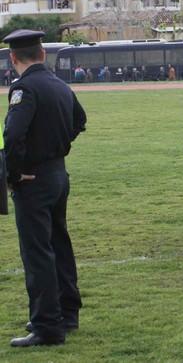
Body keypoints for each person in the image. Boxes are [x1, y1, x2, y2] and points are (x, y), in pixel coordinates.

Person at [3, 29, 87, 346]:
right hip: (57, 174)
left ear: (13, 59)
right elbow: (80, 120)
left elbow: (13, 136)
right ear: (43, 54)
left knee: (37, 253)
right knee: (59, 246)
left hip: (34, 180)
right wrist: (59, 144)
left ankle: (47, 326)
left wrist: (14, 174)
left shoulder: (23, 88)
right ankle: (66, 313)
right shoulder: (59, 84)